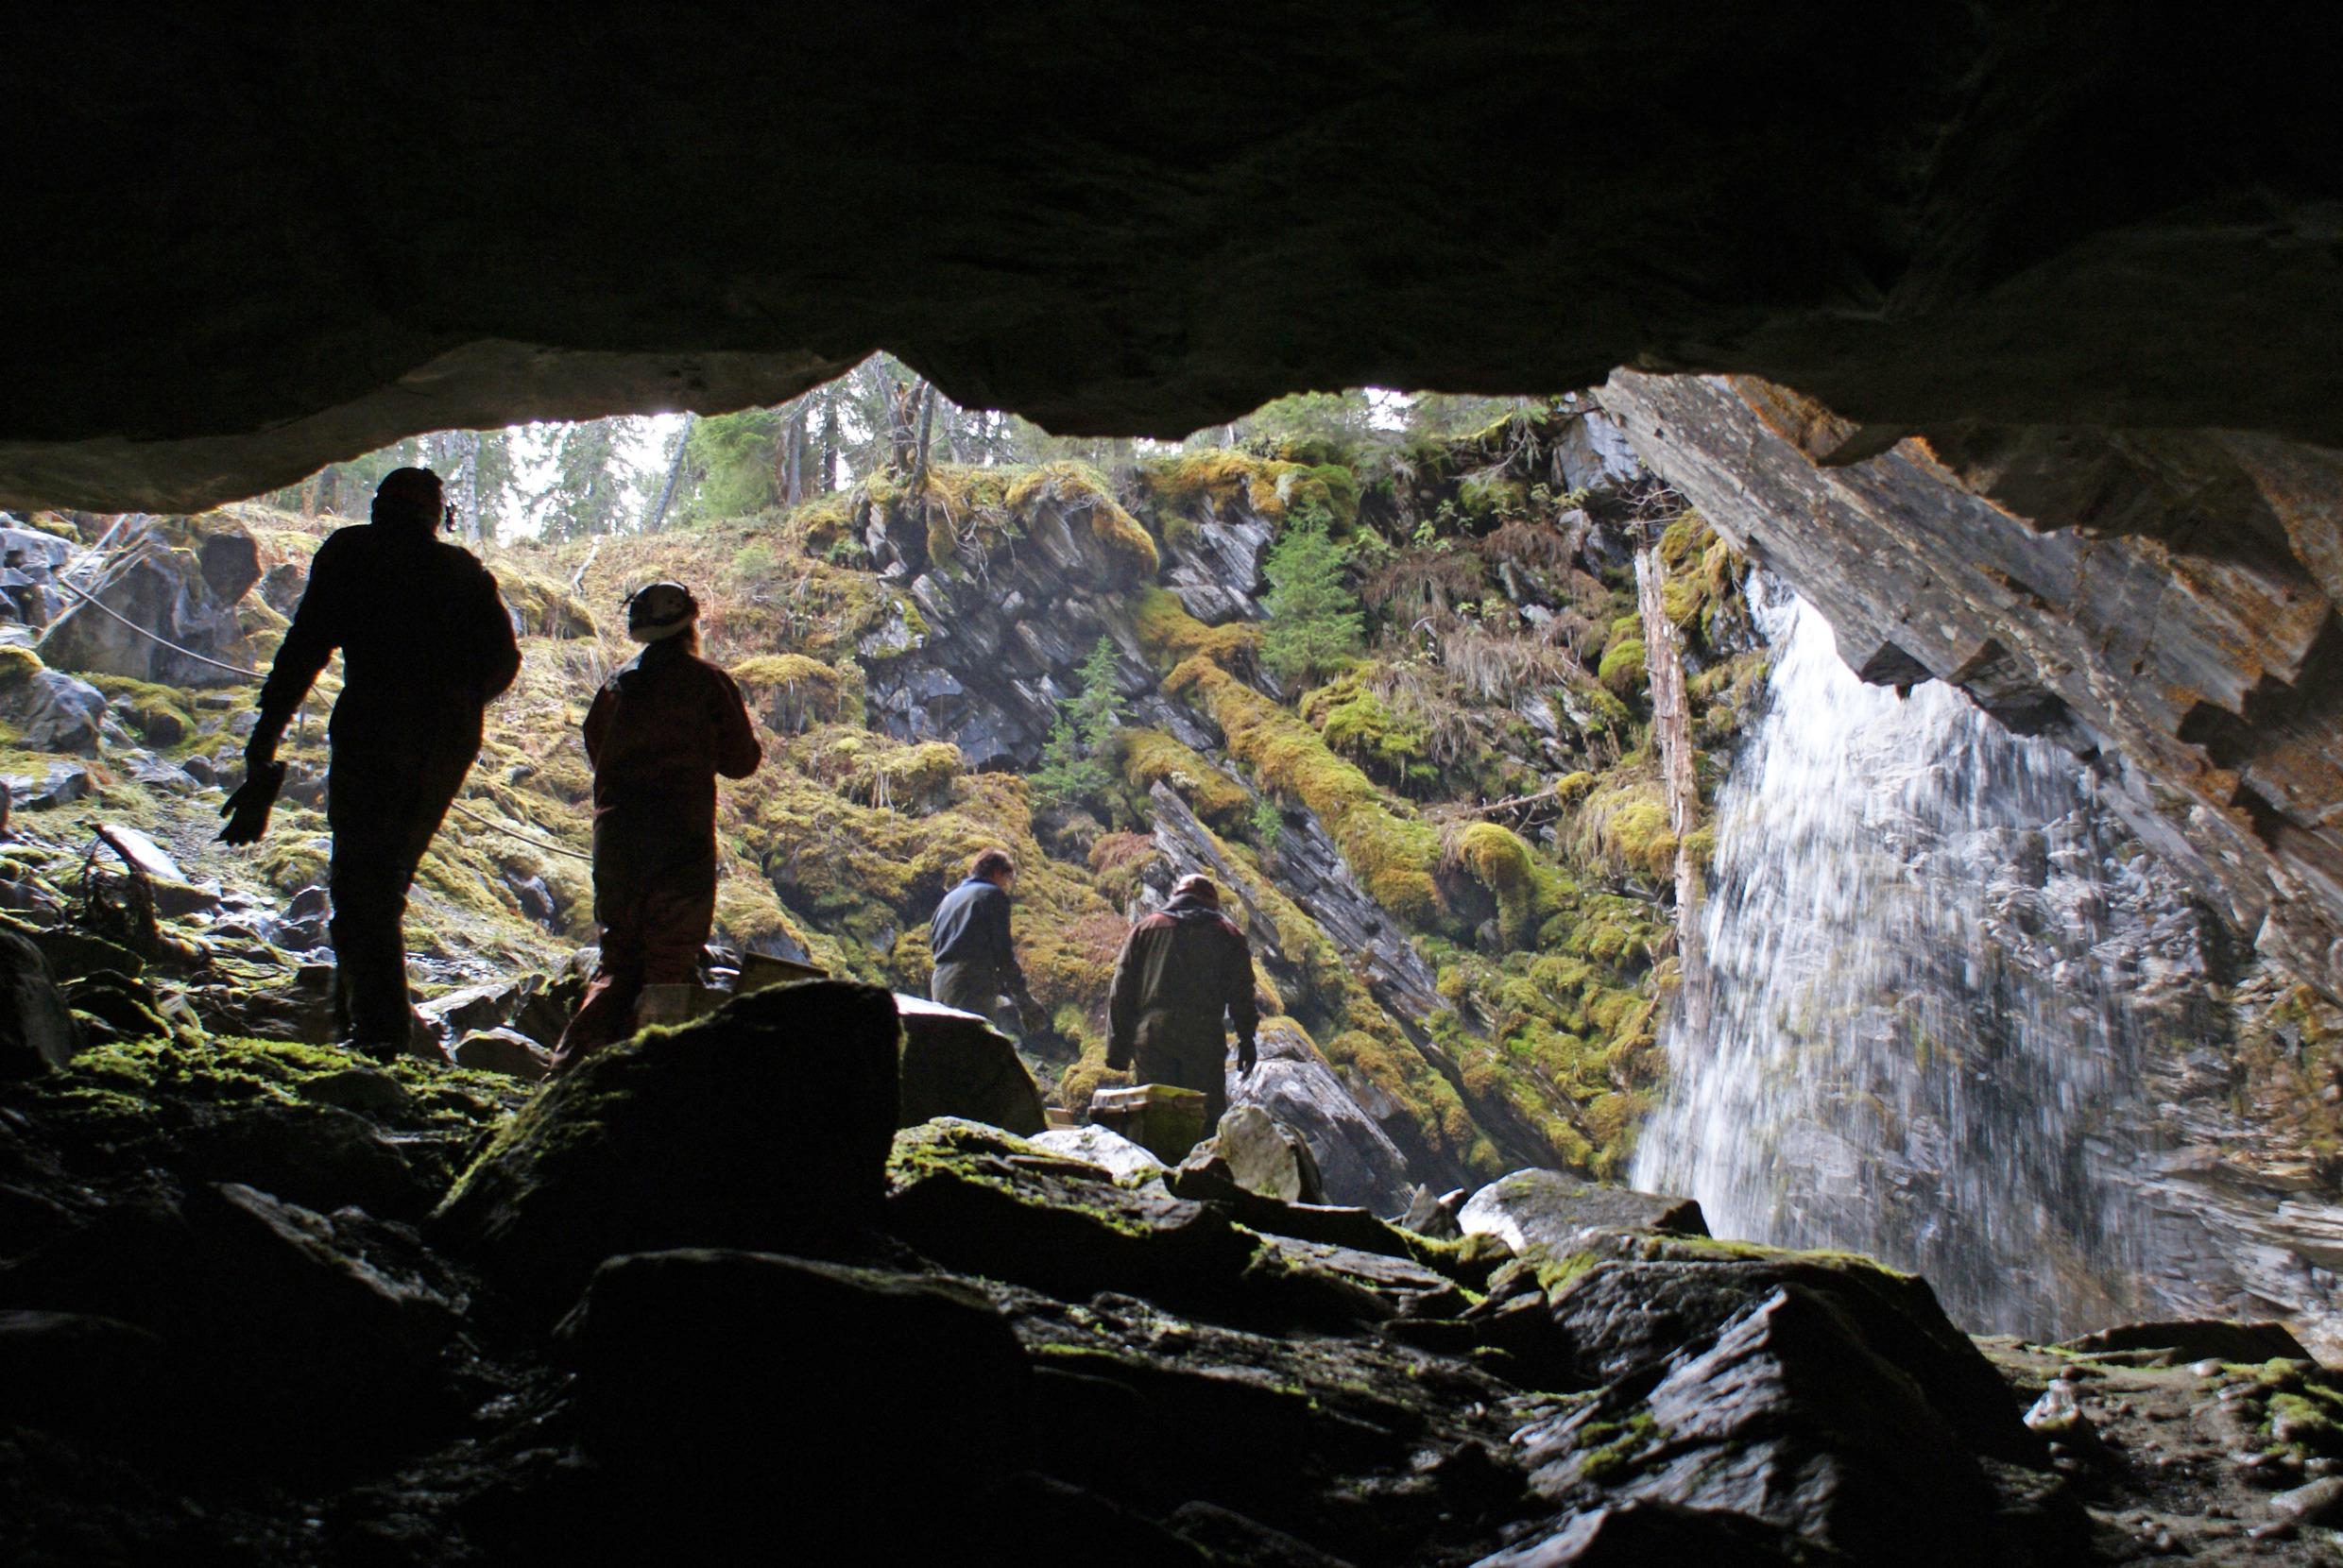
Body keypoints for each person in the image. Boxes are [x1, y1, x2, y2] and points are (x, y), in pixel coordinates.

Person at [237, 467, 522, 1060]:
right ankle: (366, 1021)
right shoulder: (462, 572)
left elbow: (303, 649)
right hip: (442, 741)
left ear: (379, 508)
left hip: (372, 728)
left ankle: (376, 1030)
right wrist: (461, 701)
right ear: (436, 517)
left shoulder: (351, 554)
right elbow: (504, 659)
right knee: (383, 879)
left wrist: (264, 742)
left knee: (361, 879)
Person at [552, 581, 761, 1069]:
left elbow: (595, 749)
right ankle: (662, 1087)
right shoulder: (707, 682)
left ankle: (566, 1077)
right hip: (679, 840)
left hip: (617, 841)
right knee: (669, 966)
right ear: (690, 624)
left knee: (618, 962)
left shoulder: (615, 685)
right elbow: (741, 760)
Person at [1105, 874, 1259, 1132]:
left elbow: (1121, 991)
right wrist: (1246, 1039)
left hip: (1153, 1037)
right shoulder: (1228, 934)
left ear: (1176, 896)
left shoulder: (1146, 929)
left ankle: (1157, 1170)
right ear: (1211, 902)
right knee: (1204, 1119)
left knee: (1155, 1117)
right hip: (1203, 1039)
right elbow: (1242, 994)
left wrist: (1117, 1052)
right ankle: (1200, 1168)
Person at [929, 848, 1045, 1037]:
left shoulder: (949, 899)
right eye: (1007, 879)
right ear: (998, 872)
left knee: (946, 1043)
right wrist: (1023, 999)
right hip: (971, 981)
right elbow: (1003, 953)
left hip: (940, 980)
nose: (1006, 886)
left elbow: (934, 940)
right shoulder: (991, 895)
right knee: (972, 1044)